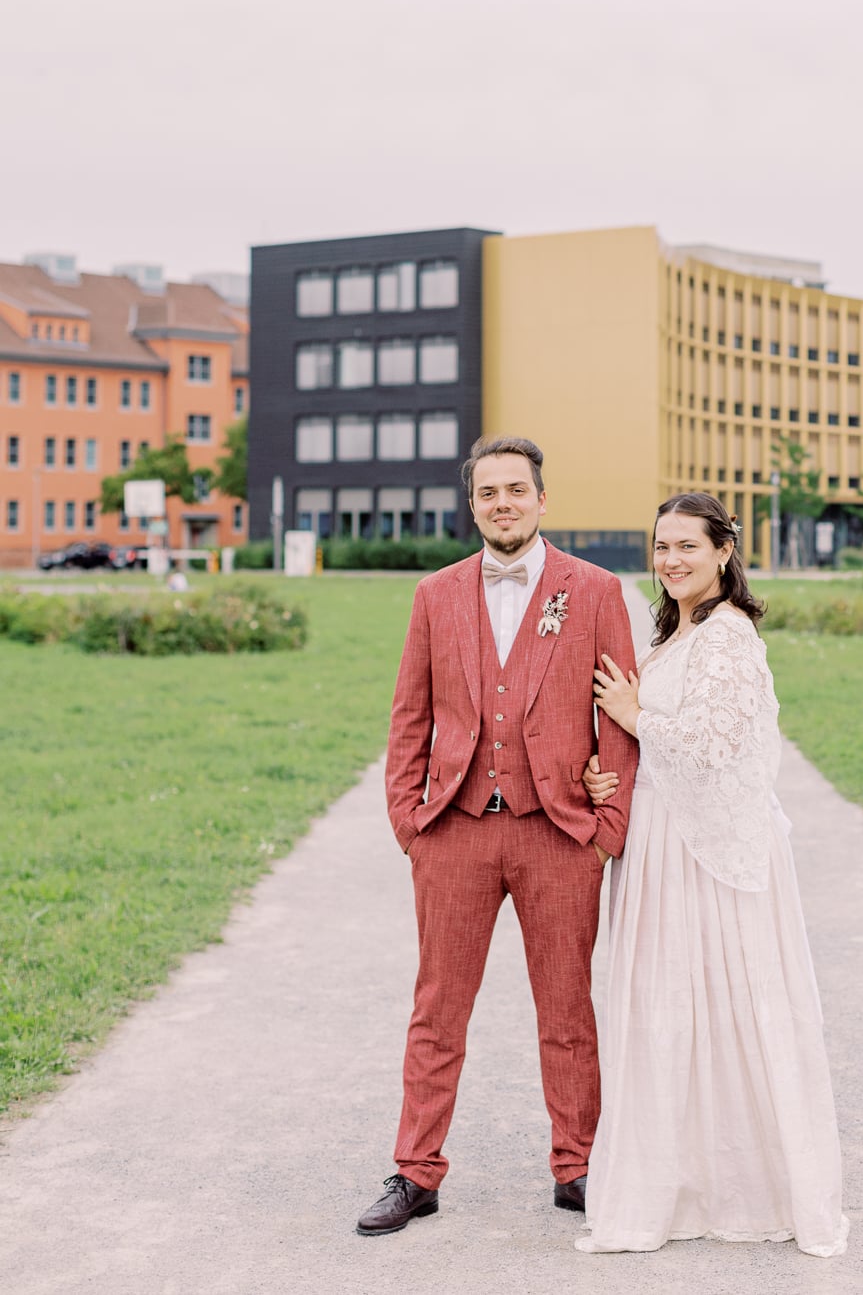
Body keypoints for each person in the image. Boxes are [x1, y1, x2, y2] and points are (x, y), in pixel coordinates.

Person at [356, 435, 640, 1237]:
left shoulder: (593, 589)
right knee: (438, 1007)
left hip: (560, 835)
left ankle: (577, 1164)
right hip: (453, 832)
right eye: (489, 492)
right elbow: (409, 714)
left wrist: (606, 830)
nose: (504, 503)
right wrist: (410, 823)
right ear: (472, 503)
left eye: (517, 489)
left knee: (567, 1008)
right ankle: (416, 1171)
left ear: (542, 500)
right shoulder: (434, 594)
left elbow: (618, 714)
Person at [577, 491, 848, 1257]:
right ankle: (684, 1174)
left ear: (724, 551)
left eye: (687, 546)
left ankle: (733, 1180)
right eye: (661, 546)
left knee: (712, 1010)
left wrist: (634, 717)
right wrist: (612, 776)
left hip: (701, 856)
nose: (670, 560)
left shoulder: (727, 635)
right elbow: (662, 748)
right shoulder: (681, 631)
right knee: (672, 1012)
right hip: (663, 841)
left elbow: (715, 746)